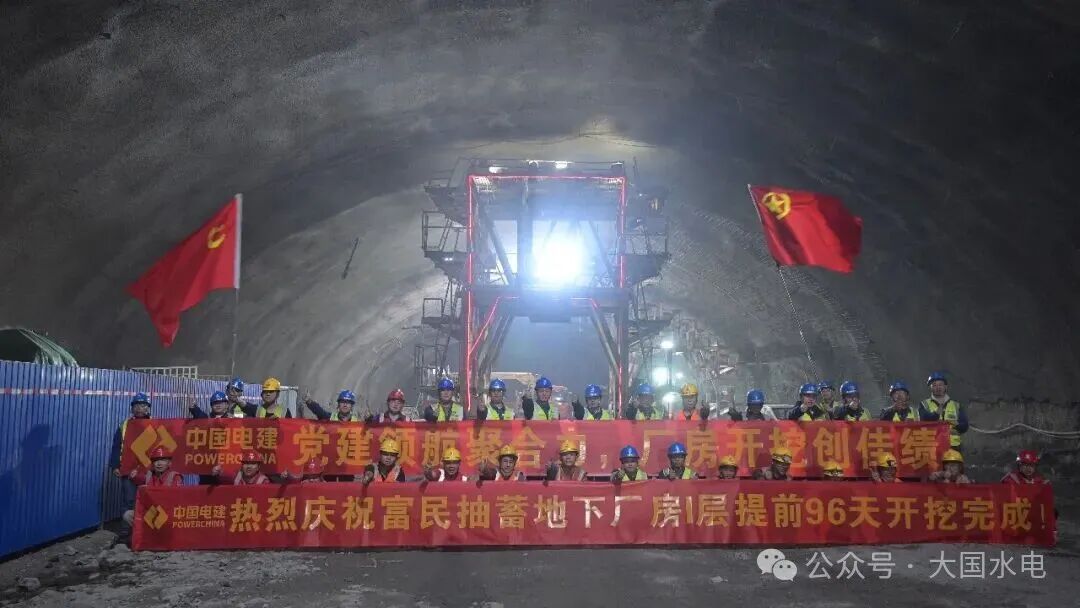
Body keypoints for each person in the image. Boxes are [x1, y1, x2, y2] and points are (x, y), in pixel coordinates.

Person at [119, 446, 183, 545]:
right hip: (152, 512)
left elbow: (177, 499)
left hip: (168, 513)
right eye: (156, 460)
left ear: (169, 463)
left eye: (163, 460)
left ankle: (158, 537)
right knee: (128, 515)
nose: (159, 463)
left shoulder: (175, 477)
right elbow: (139, 478)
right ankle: (147, 536)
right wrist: (133, 476)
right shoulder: (149, 475)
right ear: (152, 463)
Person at [110, 391, 152, 520]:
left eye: (143, 405)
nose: (139, 408)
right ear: (132, 408)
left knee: (149, 502)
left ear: (148, 408)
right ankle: (127, 531)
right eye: (136, 405)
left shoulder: (155, 425)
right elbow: (117, 446)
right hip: (128, 471)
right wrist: (115, 465)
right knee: (129, 502)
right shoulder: (124, 425)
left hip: (148, 471)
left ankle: (146, 531)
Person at [920, 372, 969, 450]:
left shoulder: (956, 405)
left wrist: (956, 425)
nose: (938, 387)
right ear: (931, 388)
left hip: (953, 447)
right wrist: (936, 414)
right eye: (934, 385)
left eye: (940, 384)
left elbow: (965, 426)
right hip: (932, 447)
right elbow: (923, 421)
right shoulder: (924, 404)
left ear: (945, 387)